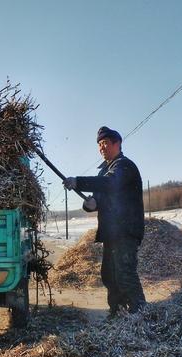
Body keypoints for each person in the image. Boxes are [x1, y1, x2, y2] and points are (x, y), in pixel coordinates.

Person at [63, 126, 146, 316]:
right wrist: (92, 204)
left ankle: (139, 314)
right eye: (100, 145)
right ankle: (117, 312)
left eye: (106, 143)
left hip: (125, 230)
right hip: (111, 232)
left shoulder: (124, 166)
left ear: (118, 143)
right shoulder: (105, 171)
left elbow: (110, 184)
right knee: (109, 275)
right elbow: (101, 196)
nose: (102, 148)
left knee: (125, 274)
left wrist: (78, 181)